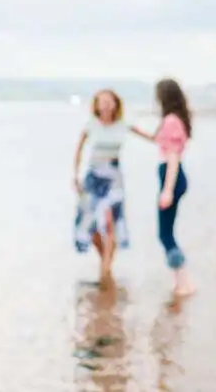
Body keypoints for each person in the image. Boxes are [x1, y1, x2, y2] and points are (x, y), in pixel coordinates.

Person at [73, 89, 151, 279]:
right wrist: (75, 175)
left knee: (110, 221)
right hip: (93, 177)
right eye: (102, 101)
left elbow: (151, 137)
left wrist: (172, 141)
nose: (106, 104)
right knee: (89, 225)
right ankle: (104, 259)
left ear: (116, 103)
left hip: (114, 176)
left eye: (109, 101)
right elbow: (79, 150)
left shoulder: (123, 124)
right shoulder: (91, 125)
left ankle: (106, 268)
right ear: (97, 105)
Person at [149, 78, 195, 296]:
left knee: (165, 234)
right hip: (172, 176)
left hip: (171, 176)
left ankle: (183, 281)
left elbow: (173, 156)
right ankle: (180, 282)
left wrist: (167, 190)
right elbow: (161, 142)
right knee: (166, 232)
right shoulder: (176, 120)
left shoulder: (171, 121)